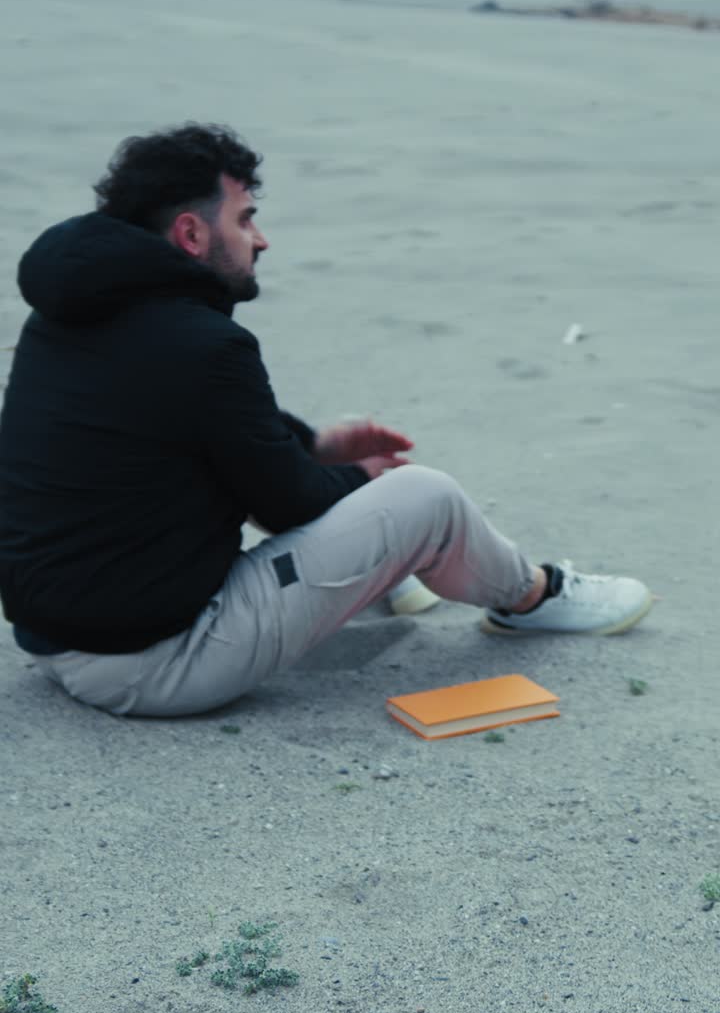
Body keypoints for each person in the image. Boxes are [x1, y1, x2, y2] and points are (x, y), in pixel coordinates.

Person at [0, 123, 653, 718]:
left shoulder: (67, 312)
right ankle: (532, 598)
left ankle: (394, 577)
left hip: (54, 642)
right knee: (425, 496)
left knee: (309, 488)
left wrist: (316, 443)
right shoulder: (202, 344)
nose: (261, 238)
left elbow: (197, 416)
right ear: (192, 235)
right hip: (158, 664)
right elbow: (289, 504)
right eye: (246, 219)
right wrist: (361, 477)